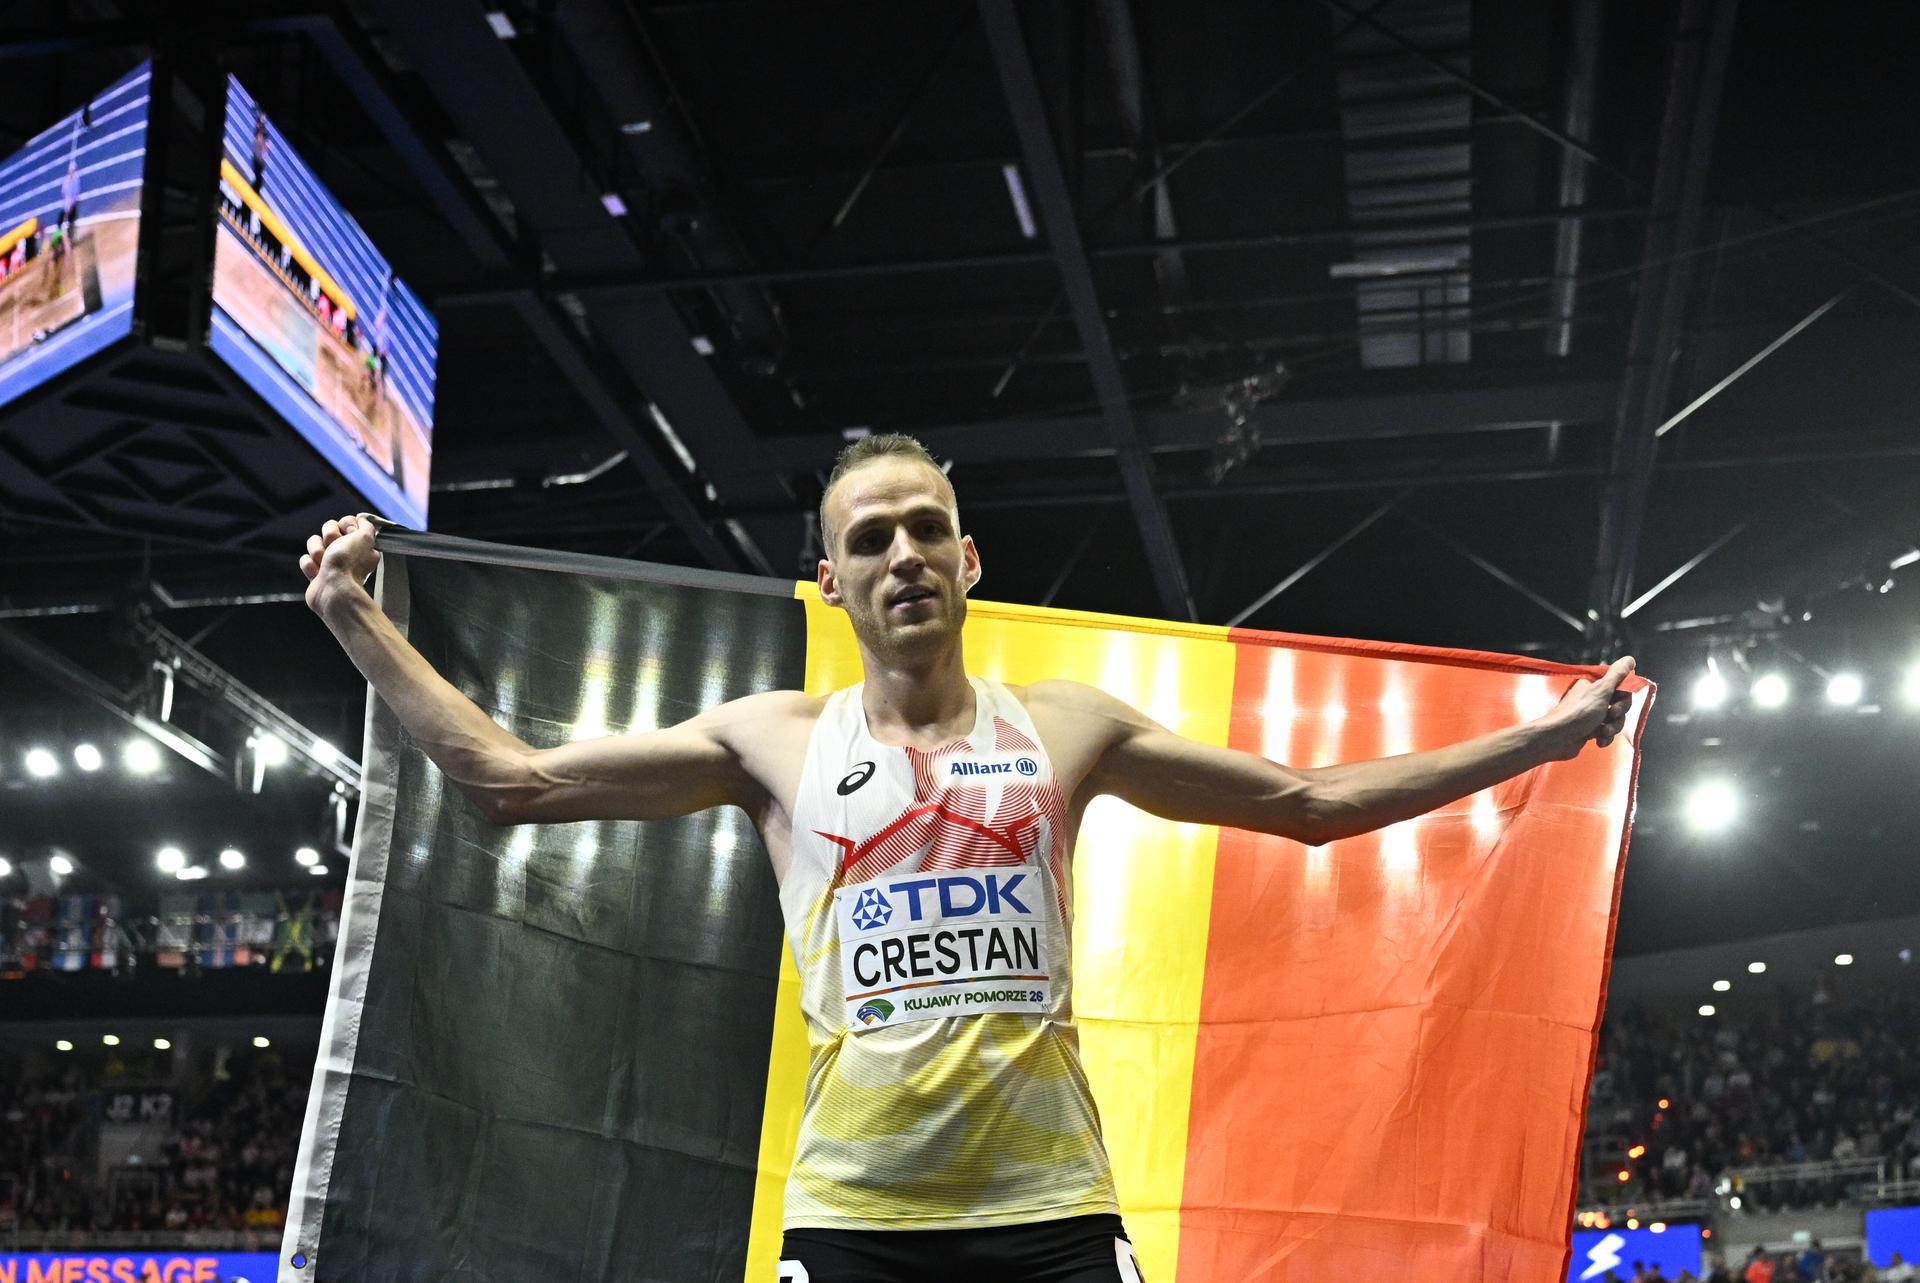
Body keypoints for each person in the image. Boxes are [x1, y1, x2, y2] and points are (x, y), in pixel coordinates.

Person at [298, 433, 1637, 1283]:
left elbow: (1311, 799)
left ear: (968, 557)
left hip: (1051, 1213)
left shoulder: (1066, 726)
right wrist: (354, 616)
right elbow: (507, 784)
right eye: (869, 538)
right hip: (856, 1224)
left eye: (925, 527)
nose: (901, 555)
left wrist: (1548, 738)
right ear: (829, 578)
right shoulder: (772, 740)